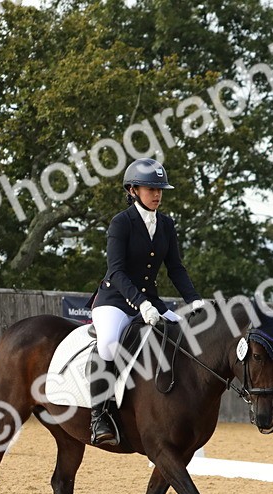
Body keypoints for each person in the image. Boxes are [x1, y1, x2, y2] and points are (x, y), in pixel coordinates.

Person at [87, 158, 206, 446]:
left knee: (187, 336)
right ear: (133, 190)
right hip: (115, 300)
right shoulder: (121, 223)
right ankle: (99, 416)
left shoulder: (166, 224)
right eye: (151, 189)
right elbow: (116, 271)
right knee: (108, 343)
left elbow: (175, 268)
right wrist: (140, 303)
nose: (157, 195)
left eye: (160, 189)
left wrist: (195, 301)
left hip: (151, 302)